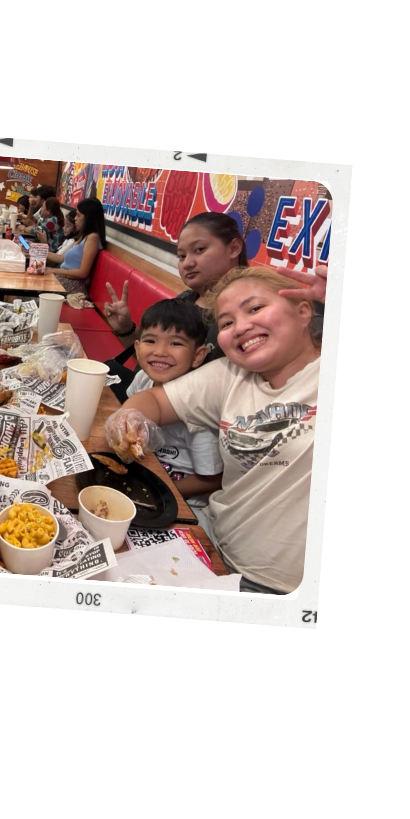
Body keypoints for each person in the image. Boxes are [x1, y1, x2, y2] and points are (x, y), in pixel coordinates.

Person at [103, 267, 322, 595]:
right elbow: (154, 401)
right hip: (209, 541)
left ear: (303, 311)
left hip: (283, 589)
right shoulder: (230, 374)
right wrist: (128, 419)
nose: (242, 326)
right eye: (227, 322)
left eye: (255, 308)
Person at [108, 297, 223, 512]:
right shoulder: (142, 379)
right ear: (137, 346)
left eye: (176, 343)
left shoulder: (197, 413)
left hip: (183, 501)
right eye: (151, 341)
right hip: (144, 472)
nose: (160, 351)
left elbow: (212, 480)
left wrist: (160, 490)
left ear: (198, 355)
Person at [99, 211, 251, 362]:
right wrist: (125, 328)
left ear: (234, 248)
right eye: (181, 256)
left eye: (199, 249)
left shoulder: (248, 313)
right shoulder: (184, 301)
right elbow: (155, 363)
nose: (188, 263)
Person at [48, 196, 107, 295]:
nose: (75, 218)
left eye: (78, 215)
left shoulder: (92, 238)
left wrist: (53, 270)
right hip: (63, 278)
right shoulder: (82, 237)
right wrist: (38, 250)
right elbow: (61, 258)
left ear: (88, 218)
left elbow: (83, 273)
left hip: (73, 284)